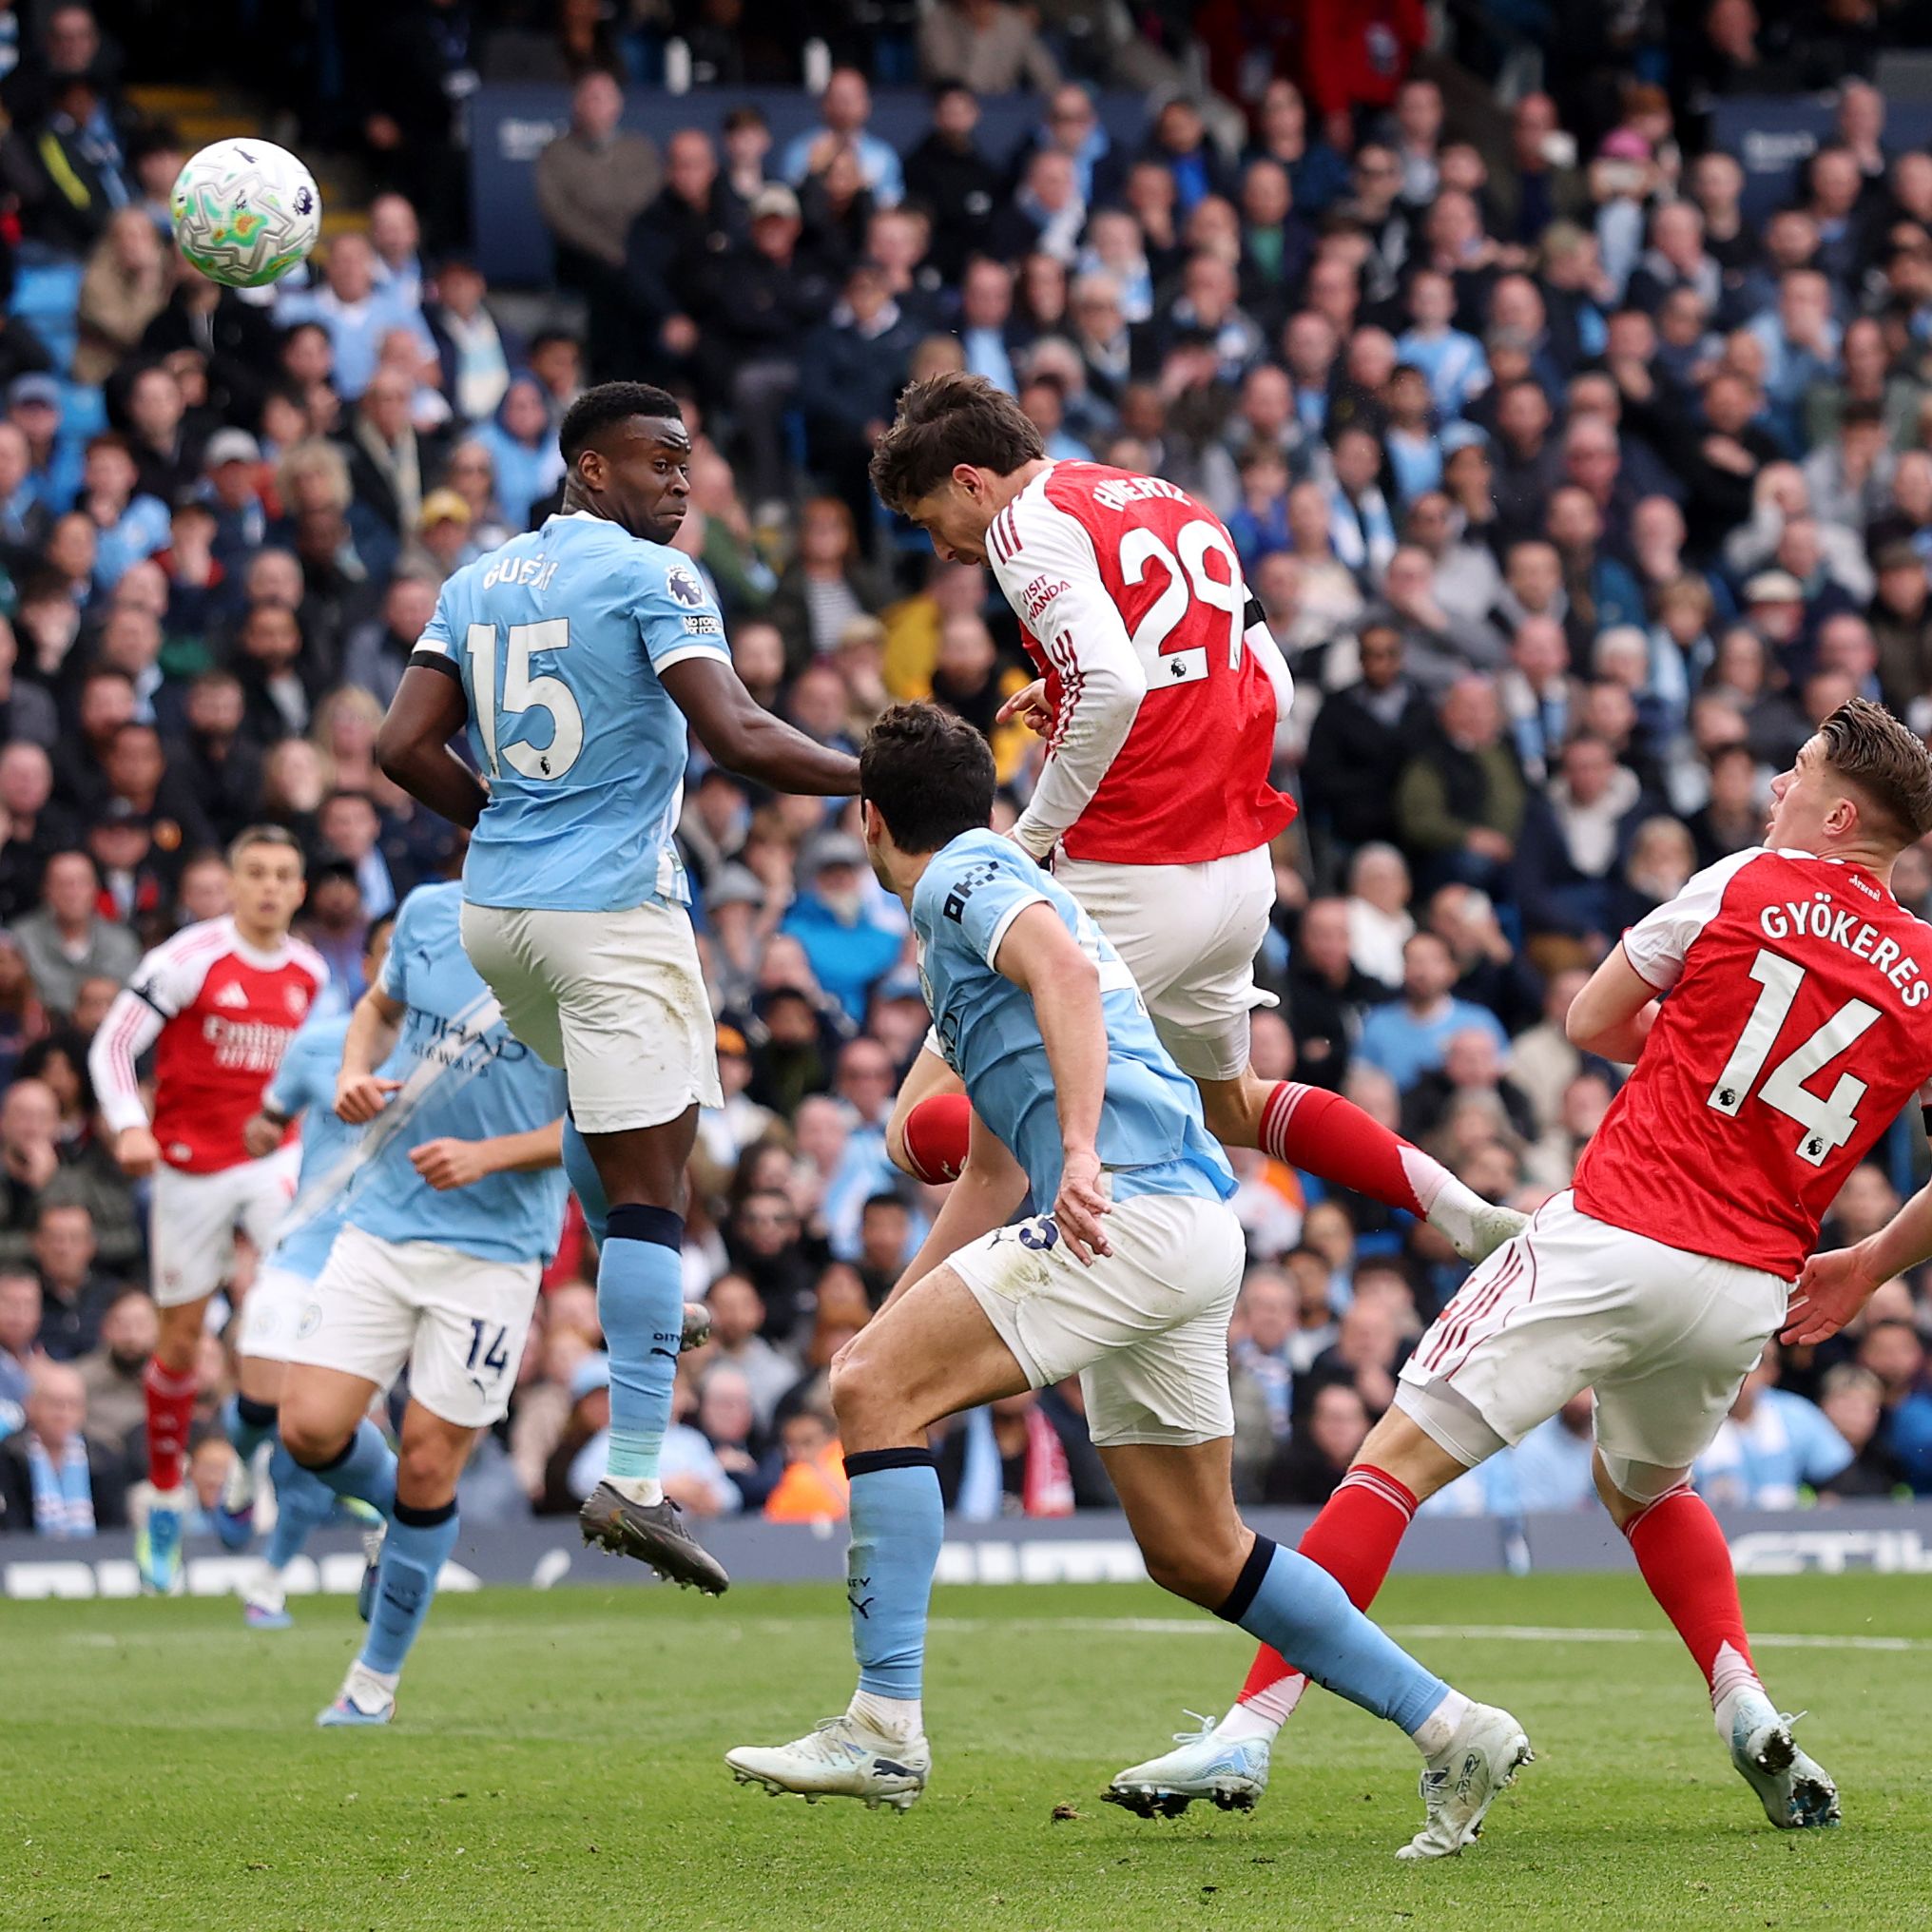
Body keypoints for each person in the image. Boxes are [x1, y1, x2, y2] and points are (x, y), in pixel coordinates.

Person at [1110, 697, 1932, 1831]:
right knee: (1645, 1486)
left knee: (1387, 1467)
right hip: (1744, 1286)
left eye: (1794, 773)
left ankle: (1244, 1735)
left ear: (1840, 814)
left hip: (1614, 1231)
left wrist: (1697, 1048)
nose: (1774, 787)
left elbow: (1594, 1021)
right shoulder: (1927, 973)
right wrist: (1871, 1263)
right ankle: (1742, 1699)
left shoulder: (1747, 879)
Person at [724, 704, 1531, 1852]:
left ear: (865, 817)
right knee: (1195, 1550)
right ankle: (1452, 1725)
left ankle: (881, 1725)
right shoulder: (996, 883)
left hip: (1128, 1215)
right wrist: (892, 1323)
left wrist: (1088, 1152)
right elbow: (995, 1168)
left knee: (872, 1395)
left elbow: (1054, 974)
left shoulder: (959, 878)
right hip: (1187, 1226)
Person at [373, 381, 859, 1594]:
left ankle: (642, 1312)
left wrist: (504, 822)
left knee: (608, 1134)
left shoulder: (477, 579)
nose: (682, 484)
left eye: (687, 464)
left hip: (500, 919)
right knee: (658, 1192)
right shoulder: (656, 579)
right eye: (658, 461)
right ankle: (638, 1477)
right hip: (610, 919)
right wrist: (886, 777)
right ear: (590, 469)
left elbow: (397, 746)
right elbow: (738, 735)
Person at [869, 373, 1520, 1268]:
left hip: (1128, 872)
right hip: (1236, 873)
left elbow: (1118, 683)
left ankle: (884, 1371)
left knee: (920, 1133)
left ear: (973, 481)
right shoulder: (1169, 500)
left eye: (929, 517)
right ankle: (1468, 1212)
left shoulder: (1022, 529)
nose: (941, 548)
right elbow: (1271, 688)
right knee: (1234, 1105)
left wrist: (1031, 839)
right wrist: (1086, 703)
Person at [271, 880, 569, 1725]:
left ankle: (373, 1682)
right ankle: (391, 1521)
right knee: (309, 1429)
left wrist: (490, 1156)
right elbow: (375, 1006)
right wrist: (355, 1074)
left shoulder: (594, 943)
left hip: (495, 1255)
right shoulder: (430, 912)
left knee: (432, 1465)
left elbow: (604, 1122)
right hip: (383, 1219)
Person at [86, 828, 325, 1592]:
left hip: (274, 1161)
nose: (266, 887)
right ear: (231, 880)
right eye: (253, 871)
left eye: (282, 875)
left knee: (291, 1299)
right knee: (180, 1343)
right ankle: (164, 1498)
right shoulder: (188, 959)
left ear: (299, 891)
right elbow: (113, 1044)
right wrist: (129, 1122)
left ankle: (250, 1467)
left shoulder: (312, 973)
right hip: (188, 1167)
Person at [210, 914, 393, 1621]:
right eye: (387, 954)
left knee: (325, 1436)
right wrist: (256, 1137)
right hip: (300, 1251)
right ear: (371, 964)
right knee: (260, 1408)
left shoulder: (448, 1059)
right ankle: (240, 1476)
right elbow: (269, 1118)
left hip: (376, 1267)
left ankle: (270, 1580)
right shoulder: (320, 1045)